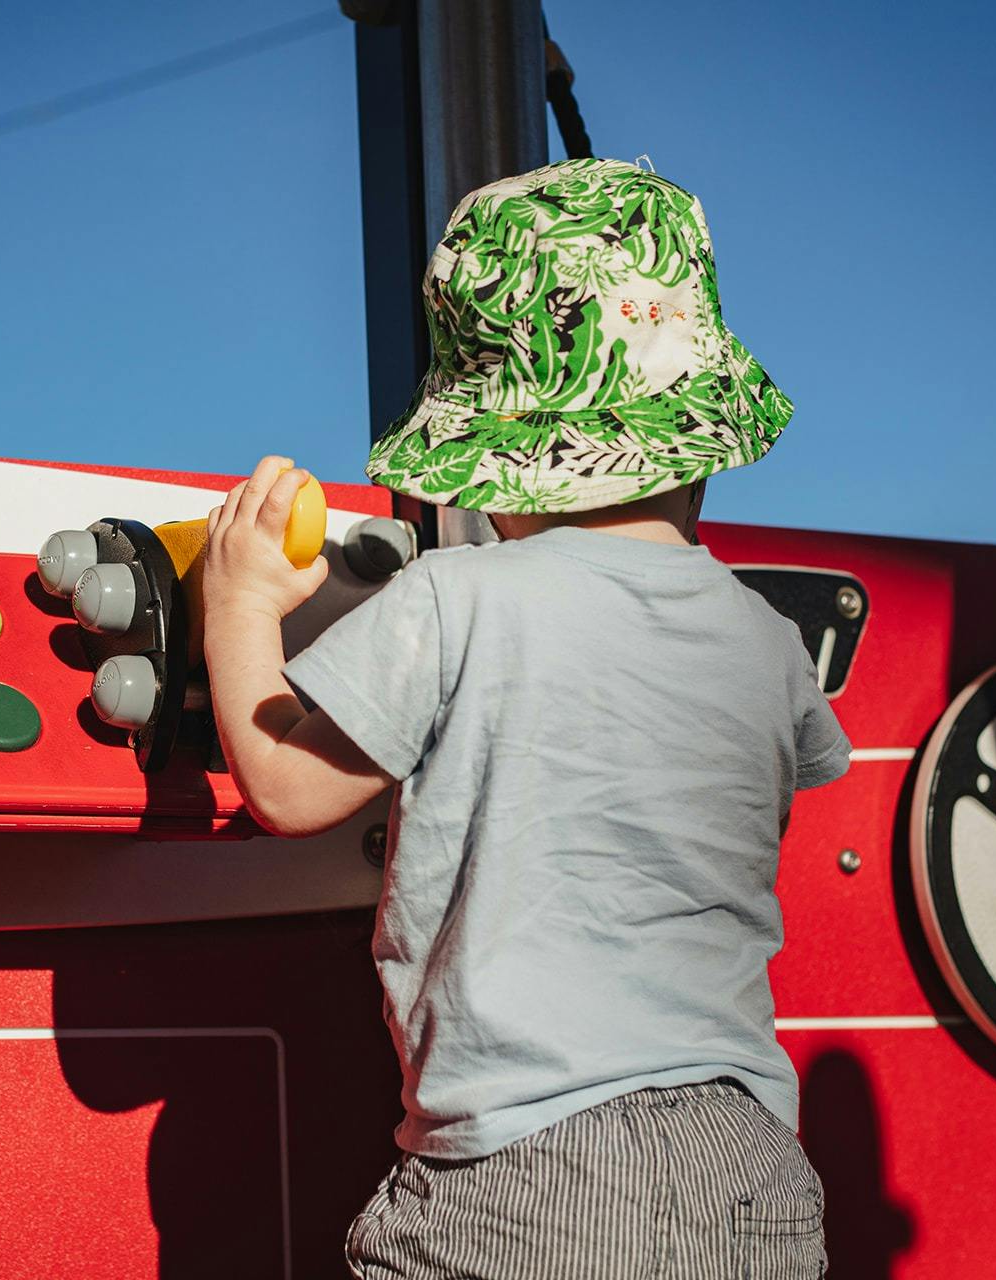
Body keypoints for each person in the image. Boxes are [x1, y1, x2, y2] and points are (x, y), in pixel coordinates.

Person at [202, 157, 849, 1279]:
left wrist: (239, 602)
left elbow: (286, 785)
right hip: (751, 1162)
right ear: (699, 442)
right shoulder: (768, 644)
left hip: (532, 1163)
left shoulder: (459, 598)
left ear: (497, 453)